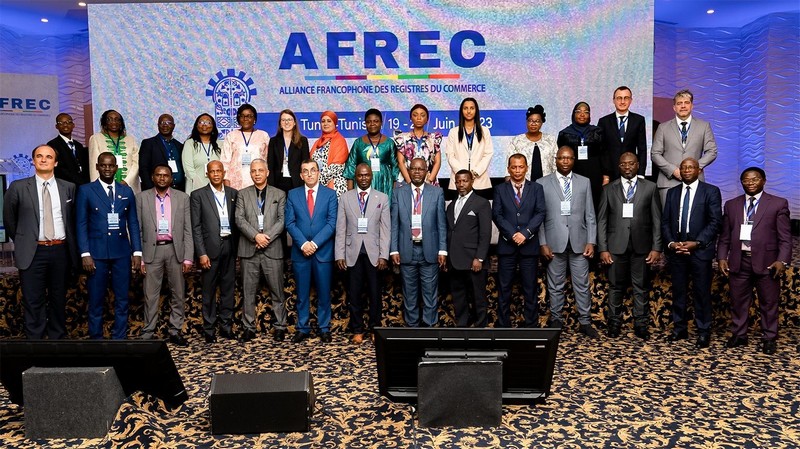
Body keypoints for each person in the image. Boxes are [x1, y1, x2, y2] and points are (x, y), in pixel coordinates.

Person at [3, 145, 78, 339]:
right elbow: (10, 220)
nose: (44, 160)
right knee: (32, 300)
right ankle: (35, 344)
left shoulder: (68, 187)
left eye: (48, 157)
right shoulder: (18, 187)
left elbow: (73, 220)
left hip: (60, 251)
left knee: (58, 299)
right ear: (34, 161)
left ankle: (57, 341)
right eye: (39, 156)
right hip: (32, 251)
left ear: (56, 162)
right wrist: (23, 240)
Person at [717, 167, 791, 355]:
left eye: (755, 179)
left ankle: (769, 337)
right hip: (739, 261)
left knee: (768, 302)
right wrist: (721, 257)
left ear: (764, 181)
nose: (750, 182)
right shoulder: (731, 205)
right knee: (738, 301)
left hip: (767, 263)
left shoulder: (778, 204)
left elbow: (785, 238)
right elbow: (725, 236)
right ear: (741, 182)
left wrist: (782, 261)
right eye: (746, 180)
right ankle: (739, 334)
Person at [77, 152, 142, 339]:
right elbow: (81, 224)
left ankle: (118, 338)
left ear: (116, 168)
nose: (107, 168)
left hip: (121, 252)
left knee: (122, 300)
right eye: (103, 165)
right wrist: (84, 253)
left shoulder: (126, 191)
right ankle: (96, 339)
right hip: (96, 254)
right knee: (96, 300)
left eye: (111, 165)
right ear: (97, 167)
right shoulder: (86, 190)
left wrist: (136, 251)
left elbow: (133, 223)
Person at [597, 152, 662, 340]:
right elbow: (601, 220)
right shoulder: (608, 189)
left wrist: (656, 247)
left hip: (642, 246)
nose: (627, 167)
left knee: (641, 286)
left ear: (638, 165)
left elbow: (657, 219)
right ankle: (614, 324)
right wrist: (603, 248)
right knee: (615, 286)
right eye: (623, 164)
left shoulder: (650, 187)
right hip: (615, 247)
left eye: (631, 164)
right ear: (619, 166)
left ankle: (641, 325)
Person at [537, 146, 598, 338]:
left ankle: (585, 322)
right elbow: (539, 217)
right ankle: (556, 320)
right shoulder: (542, 183)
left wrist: (592, 241)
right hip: (554, 242)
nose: (565, 161)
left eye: (569, 158)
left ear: (573, 160)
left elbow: (590, 214)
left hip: (580, 242)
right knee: (555, 284)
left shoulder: (584, 182)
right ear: (555, 160)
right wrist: (542, 243)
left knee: (581, 284)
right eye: (561, 158)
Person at [661, 157, 721, 349]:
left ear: (698, 170)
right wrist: (671, 244)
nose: (686, 170)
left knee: (701, 292)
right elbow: (665, 222)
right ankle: (679, 329)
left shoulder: (710, 191)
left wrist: (697, 243)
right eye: (683, 167)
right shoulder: (672, 193)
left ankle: (703, 331)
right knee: (679, 291)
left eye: (691, 167)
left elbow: (715, 222)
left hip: (700, 251)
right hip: (677, 251)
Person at [136, 165, 193, 345]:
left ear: (171, 178)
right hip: (151, 251)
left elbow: (188, 230)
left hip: (175, 250)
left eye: (166, 175)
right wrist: (140, 257)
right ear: (152, 177)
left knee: (178, 293)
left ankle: (175, 330)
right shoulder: (141, 198)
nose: (162, 178)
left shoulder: (182, 198)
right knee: (150, 295)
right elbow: (136, 229)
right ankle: (148, 331)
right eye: (158, 175)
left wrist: (188, 257)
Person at [335, 163, 390, 344]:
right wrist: (339, 255)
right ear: (355, 177)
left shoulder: (382, 198)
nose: (364, 178)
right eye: (360, 175)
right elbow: (340, 228)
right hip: (352, 253)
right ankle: (357, 330)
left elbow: (385, 229)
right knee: (354, 294)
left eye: (366, 175)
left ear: (371, 176)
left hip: (374, 254)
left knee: (375, 294)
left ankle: (375, 329)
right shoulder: (345, 198)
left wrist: (384, 255)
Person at [390, 157, 448, 327]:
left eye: (421, 169)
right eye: (413, 169)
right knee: (410, 295)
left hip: (429, 250)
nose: (417, 172)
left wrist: (442, 250)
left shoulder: (436, 192)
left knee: (430, 294)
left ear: (426, 172)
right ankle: (412, 330)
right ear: (408, 171)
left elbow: (441, 224)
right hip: (406, 250)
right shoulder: (398, 193)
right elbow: (394, 224)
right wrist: (394, 250)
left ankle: (429, 329)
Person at [235, 159, 288, 343]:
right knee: (248, 292)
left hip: (272, 249)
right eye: (253, 171)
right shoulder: (242, 194)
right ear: (250, 174)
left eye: (260, 170)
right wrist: (255, 236)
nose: (257, 173)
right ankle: (248, 327)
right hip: (249, 249)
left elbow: (282, 220)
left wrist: (266, 238)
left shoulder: (279, 194)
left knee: (277, 291)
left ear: (267, 172)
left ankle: (280, 327)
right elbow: (239, 219)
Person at [285, 159, 338, 343]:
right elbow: (289, 223)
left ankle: (324, 328)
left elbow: (332, 223)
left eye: (313, 170)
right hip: (301, 253)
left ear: (318, 173)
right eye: (305, 171)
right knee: (302, 294)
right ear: (300, 175)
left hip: (322, 252)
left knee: (324, 293)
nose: (309, 174)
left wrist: (314, 244)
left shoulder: (330, 195)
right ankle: (302, 328)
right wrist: (303, 244)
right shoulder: (292, 195)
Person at [492, 154, 547, 328]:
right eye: (514, 167)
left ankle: (531, 325)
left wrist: (526, 233)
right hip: (507, 247)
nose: (517, 171)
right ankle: (503, 326)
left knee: (530, 289)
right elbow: (497, 215)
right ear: (508, 168)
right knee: (504, 289)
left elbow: (540, 213)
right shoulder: (500, 189)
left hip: (529, 246)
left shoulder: (536, 188)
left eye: (521, 167)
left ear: (526, 168)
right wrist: (512, 234)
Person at [190, 160, 239, 343]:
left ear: (224, 172)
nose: (216, 174)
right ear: (207, 174)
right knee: (209, 291)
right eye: (212, 171)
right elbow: (195, 227)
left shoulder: (234, 194)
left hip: (229, 246)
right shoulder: (198, 195)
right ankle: (209, 329)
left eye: (219, 171)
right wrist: (201, 253)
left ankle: (226, 327)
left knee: (228, 289)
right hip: (209, 250)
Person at [651, 89, 718, 205]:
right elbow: (655, 154)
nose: (683, 106)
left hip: (695, 182)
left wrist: (695, 168)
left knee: (694, 219)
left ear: (692, 106)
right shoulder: (663, 127)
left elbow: (712, 151)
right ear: (674, 107)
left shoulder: (704, 126)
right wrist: (673, 170)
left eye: (686, 103)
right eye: (679, 103)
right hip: (668, 182)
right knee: (669, 220)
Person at [447, 170, 492, 327]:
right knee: (459, 296)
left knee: (478, 297)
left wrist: (479, 258)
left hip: (474, 260)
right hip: (454, 260)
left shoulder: (481, 203)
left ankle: (480, 328)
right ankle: (462, 327)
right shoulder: (451, 205)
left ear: (472, 181)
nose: (461, 184)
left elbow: (485, 233)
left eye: (465, 181)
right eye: (458, 181)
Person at [557, 102, 607, 210]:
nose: (582, 114)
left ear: (590, 115)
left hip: (594, 173)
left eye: (586, 112)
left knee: (594, 204)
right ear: (573, 114)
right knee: (575, 203)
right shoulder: (564, 134)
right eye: (579, 111)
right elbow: (561, 157)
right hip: (573, 172)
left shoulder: (597, 131)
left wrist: (606, 174)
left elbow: (604, 153)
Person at [344, 108, 399, 200]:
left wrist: (393, 190)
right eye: (369, 122)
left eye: (376, 121)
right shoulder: (358, 143)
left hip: (384, 182)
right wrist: (350, 193)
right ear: (365, 124)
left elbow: (395, 167)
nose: (372, 124)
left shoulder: (389, 143)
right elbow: (350, 167)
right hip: (362, 181)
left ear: (381, 123)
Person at [445, 97, 494, 199]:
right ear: (461, 111)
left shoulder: (485, 131)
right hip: (458, 182)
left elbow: (488, 154)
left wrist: (475, 172)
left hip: (480, 182)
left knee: (481, 213)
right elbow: (450, 155)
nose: (468, 111)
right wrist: (464, 174)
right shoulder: (453, 132)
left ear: (476, 111)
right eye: (465, 108)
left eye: (472, 108)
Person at [597, 86, 648, 180]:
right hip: (610, 173)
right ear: (614, 100)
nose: (622, 101)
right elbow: (602, 151)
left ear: (631, 100)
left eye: (626, 98)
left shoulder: (639, 120)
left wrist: (641, 174)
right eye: (619, 98)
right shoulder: (604, 121)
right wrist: (605, 175)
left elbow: (642, 149)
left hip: (632, 172)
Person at [88, 110, 140, 192]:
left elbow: (136, 163)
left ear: (121, 123)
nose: (114, 122)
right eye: (110, 119)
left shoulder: (131, 139)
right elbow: (94, 166)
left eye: (117, 119)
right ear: (105, 123)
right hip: (105, 186)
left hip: (128, 186)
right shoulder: (96, 139)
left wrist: (127, 181)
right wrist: (97, 188)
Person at [221, 103, 269, 190]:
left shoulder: (263, 135)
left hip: (258, 180)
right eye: (242, 116)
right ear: (238, 118)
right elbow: (225, 161)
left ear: (254, 119)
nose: (245, 119)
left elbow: (267, 160)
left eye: (249, 116)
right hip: (235, 182)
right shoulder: (231, 136)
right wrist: (226, 181)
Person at [393, 103, 442, 186]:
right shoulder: (402, 138)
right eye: (415, 115)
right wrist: (409, 182)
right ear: (411, 118)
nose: (419, 118)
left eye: (422, 115)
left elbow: (437, 161)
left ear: (427, 119)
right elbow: (401, 162)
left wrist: (429, 181)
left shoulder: (433, 138)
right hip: (406, 181)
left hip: (428, 181)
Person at [507, 105, 557, 181]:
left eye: (537, 121)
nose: (533, 123)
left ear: (542, 122)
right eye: (530, 120)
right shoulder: (517, 140)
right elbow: (510, 165)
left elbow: (556, 164)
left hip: (547, 184)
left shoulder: (550, 139)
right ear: (526, 122)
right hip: (523, 185)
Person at [267, 109, 309, 193]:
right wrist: (271, 186)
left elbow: (305, 164)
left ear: (294, 123)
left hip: (297, 183)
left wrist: (303, 183)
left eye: (289, 119)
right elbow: (270, 165)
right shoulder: (273, 141)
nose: (286, 122)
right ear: (280, 124)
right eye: (283, 120)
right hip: (278, 183)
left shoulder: (302, 141)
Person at [139, 114, 185, 191]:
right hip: (155, 190)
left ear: (173, 126)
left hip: (178, 191)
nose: (165, 125)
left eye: (168, 123)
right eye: (162, 122)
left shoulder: (180, 146)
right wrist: (151, 189)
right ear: (158, 125)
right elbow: (143, 168)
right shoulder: (148, 143)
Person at [309, 111, 349, 199]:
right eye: (323, 121)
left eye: (329, 121)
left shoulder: (340, 141)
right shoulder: (318, 142)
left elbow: (337, 167)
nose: (325, 124)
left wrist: (316, 180)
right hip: (317, 186)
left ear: (334, 123)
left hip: (335, 185)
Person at [183, 113, 222, 194]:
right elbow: (188, 168)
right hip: (196, 188)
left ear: (213, 126)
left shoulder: (220, 144)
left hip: (217, 188)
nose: (204, 125)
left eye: (208, 122)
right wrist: (202, 187)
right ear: (196, 126)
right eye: (201, 122)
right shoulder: (190, 143)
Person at [48, 112, 90, 186]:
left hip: (83, 185)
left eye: (68, 122)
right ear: (56, 126)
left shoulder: (79, 145)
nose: (65, 125)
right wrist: (79, 181)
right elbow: (59, 169)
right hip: (65, 185)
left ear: (73, 125)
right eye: (61, 123)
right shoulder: (52, 145)